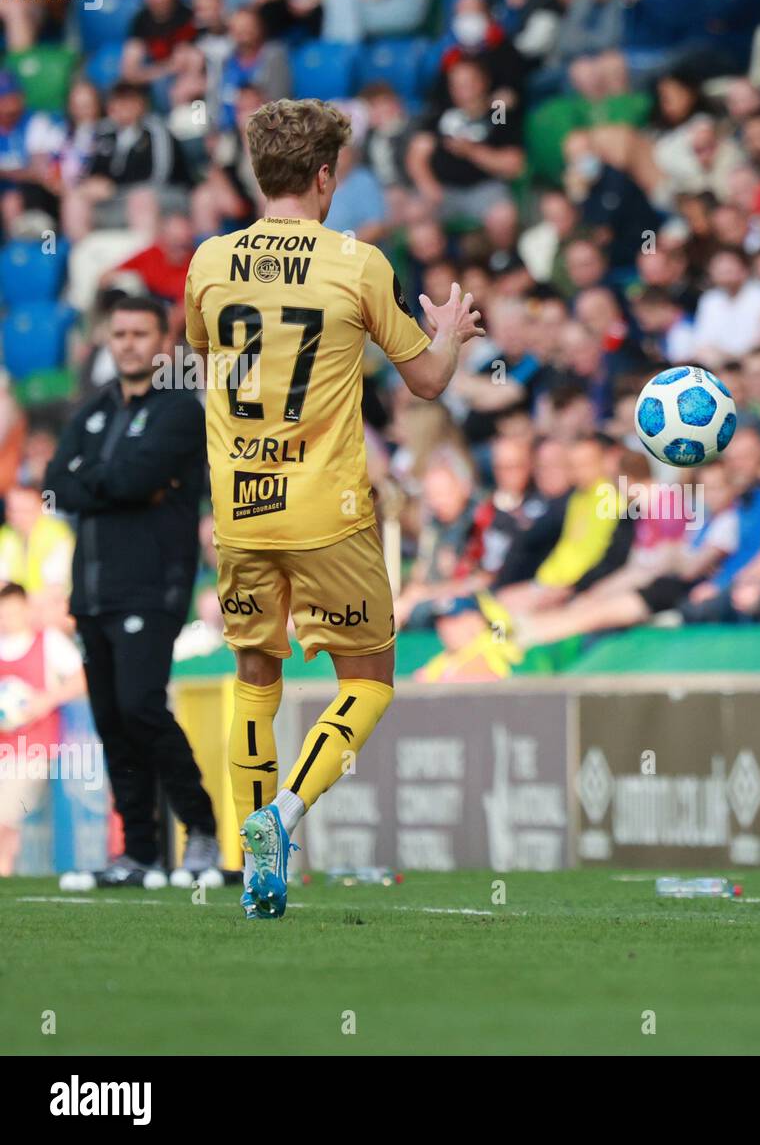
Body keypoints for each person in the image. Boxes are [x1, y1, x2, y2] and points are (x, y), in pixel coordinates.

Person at [183, 98, 483, 919]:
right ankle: (286, 813)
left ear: (257, 172)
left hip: (240, 511)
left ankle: (253, 855)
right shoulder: (357, 263)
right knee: (371, 676)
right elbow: (426, 383)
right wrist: (451, 331)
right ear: (326, 176)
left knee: (253, 674)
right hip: (329, 512)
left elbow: (209, 358)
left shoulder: (208, 262)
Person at [43, 296, 219, 885]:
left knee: (143, 708)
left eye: (140, 332)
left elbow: (131, 478)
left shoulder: (179, 411)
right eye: (118, 333)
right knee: (112, 721)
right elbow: (56, 484)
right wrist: (109, 485)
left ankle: (202, 832)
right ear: (107, 338)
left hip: (152, 586)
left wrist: (100, 482)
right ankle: (139, 852)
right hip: (91, 593)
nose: (127, 343)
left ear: (162, 340)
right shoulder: (91, 409)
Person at [0, 583, 86, 876]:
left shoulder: (46, 641)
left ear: (25, 609)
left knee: (4, 817)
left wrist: (45, 700)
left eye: (11, 608)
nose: (5, 616)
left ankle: (5, 872)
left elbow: (81, 678)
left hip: (32, 750)